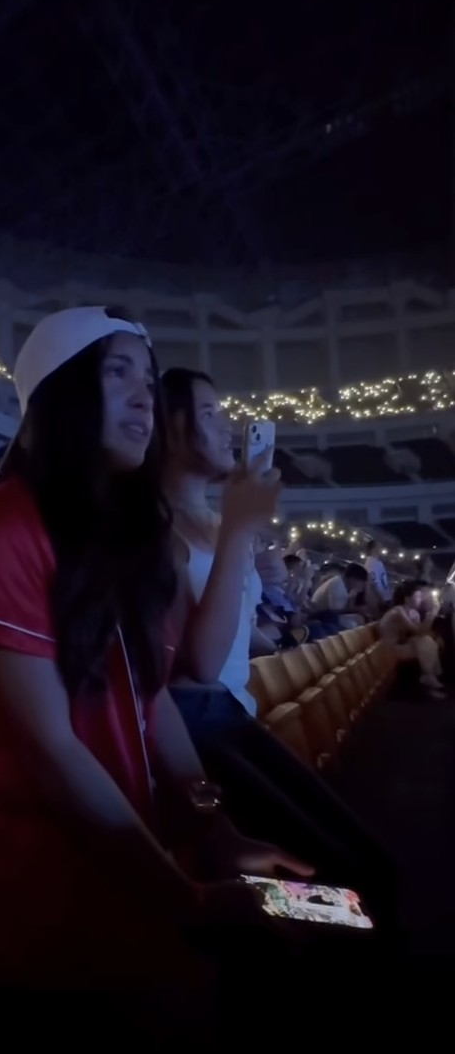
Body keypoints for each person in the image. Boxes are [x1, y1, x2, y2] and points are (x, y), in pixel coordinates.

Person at [0, 309, 312, 1047]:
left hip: (119, 863)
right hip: (25, 892)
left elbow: (154, 696)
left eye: (147, 371)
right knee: (267, 974)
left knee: (336, 905)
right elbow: (52, 752)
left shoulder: (116, 542)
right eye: (117, 371)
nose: (144, 395)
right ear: (60, 398)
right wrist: (186, 899)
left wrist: (216, 827)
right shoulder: (2, 526)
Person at [160, 367, 397, 924]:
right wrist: (240, 535)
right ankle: (250, 912)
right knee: (351, 896)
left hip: (236, 719)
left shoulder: (222, 520)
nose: (228, 428)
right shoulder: (156, 532)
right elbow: (200, 664)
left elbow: (244, 633)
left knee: (369, 871)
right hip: (200, 734)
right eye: (210, 413)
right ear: (170, 428)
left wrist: (255, 566)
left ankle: (265, 915)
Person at [379, 581, 445, 699]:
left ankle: (429, 676)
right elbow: (418, 632)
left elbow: (422, 632)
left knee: (426, 641)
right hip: (387, 648)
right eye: (417, 596)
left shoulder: (412, 613)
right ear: (407, 598)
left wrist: (431, 614)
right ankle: (428, 676)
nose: (420, 600)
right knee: (424, 642)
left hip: (400, 645)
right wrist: (433, 614)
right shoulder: (399, 611)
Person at [310, 561, 369, 630]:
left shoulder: (344, 585)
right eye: (362, 583)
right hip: (320, 616)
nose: (362, 586)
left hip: (328, 614)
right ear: (353, 579)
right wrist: (356, 608)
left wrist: (352, 599)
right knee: (352, 624)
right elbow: (336, 611)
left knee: (359, 619)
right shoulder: (337, 585)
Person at [364, 539, 392, 614]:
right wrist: (381, 599)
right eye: (379, 546)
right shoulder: (371, 563)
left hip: (384, 598)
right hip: (379, 601)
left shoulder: (378, 562)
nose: (381, 548)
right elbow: (373, 583)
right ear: (373, 549)